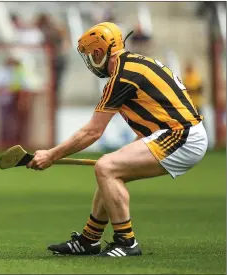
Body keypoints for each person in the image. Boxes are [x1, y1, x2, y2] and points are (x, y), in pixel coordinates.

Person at [26, 22, 207, 257]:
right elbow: (156, 113)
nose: (91, 61)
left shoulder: (122, 76)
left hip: (181, 136)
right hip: (174, 132)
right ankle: (89, 240)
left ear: (100, 53)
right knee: (110, 169)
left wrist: (51, 155)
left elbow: (92, 132)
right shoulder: (135, 64)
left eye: (91, 55)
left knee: (106, 167)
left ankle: (126, 242)